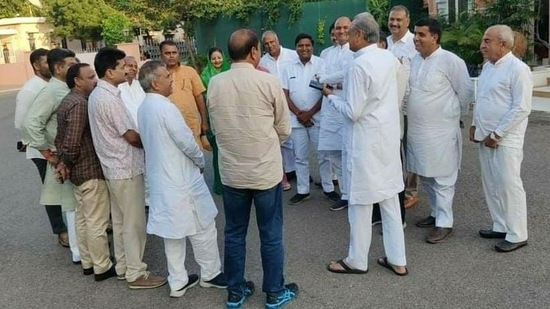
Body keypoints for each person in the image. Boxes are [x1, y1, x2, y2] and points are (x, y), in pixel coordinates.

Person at [207, 28, 298, 309]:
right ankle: (274, 291)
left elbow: (215, 126)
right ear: (254, 51)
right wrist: (265, 145)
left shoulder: (215, 84)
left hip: (232, 173)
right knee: (270, 234)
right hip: (264, 172)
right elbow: (284, 128)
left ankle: (235, 290)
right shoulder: (267, 82)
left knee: (234, 232)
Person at [324, 12, 407, 276]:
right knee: (390, 201)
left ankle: (357, 260)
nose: (345, 37)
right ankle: (398, 259)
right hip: (386, 140)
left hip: (365, 143)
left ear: (359, 35)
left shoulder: (360, 64)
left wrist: (329, 96)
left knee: (360, 202)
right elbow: (395, 93)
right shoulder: (388, 57)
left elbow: (353, 111)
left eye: (349, 34)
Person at [137, 60, 226, 297]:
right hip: (182, 179)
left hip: (163, 180)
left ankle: (177, 280)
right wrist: (200, 161)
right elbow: (186, 141)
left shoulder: (144, 107)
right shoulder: (165, 107)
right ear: (155, 83)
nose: (171, 79)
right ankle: (211, 273)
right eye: (167, 76)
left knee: (173, 233)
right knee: (203, 225)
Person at [88, 47, 166, 289]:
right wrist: (154, 141)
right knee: (134, 225)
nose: (127, 69)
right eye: (122, 66)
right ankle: (135, 273)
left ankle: (123, 267)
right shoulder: (107, 98)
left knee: (122, 223)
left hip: (116, 169)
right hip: (124, 168)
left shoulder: (103, 94)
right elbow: (131, 136)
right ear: (110, 72)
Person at [407, 19, 473, 244]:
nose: (416, 38)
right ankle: (435, 213)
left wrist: (451, 114)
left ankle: (445, 223)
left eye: (421, 35)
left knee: (444, 177)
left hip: (441, 130)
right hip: (417, 130)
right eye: (415, 34)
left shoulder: (451, 61)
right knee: (425, 174)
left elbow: (465, 92)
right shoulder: (413, 60)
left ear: (435, 37)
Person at [471, 25, 532, 252]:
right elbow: (484, 99)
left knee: (508, 185)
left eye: (487, 41)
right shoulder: (489, 67)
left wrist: (498, 134)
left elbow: (521, 108)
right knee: (491, 184)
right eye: (483, 40)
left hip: (505, 139)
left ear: (503, 45)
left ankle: (517, 234)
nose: (482, 45)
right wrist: (475, 125)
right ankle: (500, 224)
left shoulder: (518, 69)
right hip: (485, 137)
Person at [54, 63, 114, 280]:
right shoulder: (79, 104)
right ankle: (102, 266)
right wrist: (65, 164)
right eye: (90, 77)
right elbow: (71, 142)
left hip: (77, 172)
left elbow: (60, 139)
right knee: (96, 221)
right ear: (77, 81)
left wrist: (64, 164)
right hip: (88, 169)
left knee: (83, 218)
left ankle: (88, 262)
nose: (94, 80)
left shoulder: (68, 101)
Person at [22, 48, 80, 263]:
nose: (74, 66)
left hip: (74, 156)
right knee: (71, 205)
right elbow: (31, 124)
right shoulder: (50, 92)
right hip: (62, 157)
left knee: (78, 204)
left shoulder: (65, 87)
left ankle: (82, 249)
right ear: (58, 68)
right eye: (70, 63)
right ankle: (78, 252)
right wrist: (48, 153)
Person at [14, 48, 69, 247]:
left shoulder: (56, 85)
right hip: (42, 150)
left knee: (66, 187)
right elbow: (23, 122)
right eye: (46, 62)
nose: (50, 66)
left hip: (56, 147)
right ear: (36, 66)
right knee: (52, 190)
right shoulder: (30, 89)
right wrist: (44, 149)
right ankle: (60, 230)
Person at [282, 33, 338, 205]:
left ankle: (328, 188)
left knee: (323, 155)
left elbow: (326, 92)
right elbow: (285, 94)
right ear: (296, 48)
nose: (304, 48)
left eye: (307, 45)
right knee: (300, 157)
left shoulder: (321, 65)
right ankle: (303, 190)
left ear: (312, 47)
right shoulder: (288, 68)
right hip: (297, 121)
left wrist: (310, 113)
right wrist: (300, 114)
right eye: (300, 45)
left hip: (318, 119)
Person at [318, 16, 354, 211]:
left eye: (344, 28)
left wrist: (333, 84)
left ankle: (354, 194)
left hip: (348, 108)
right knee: (334, 154)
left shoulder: (354, 52)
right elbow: (320, 79)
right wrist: (334, 84)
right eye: (337, 28)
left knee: (350, 155)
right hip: (329, 109)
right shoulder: (326, 53)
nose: (340, 31)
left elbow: (349, 79)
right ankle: (346, 194)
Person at [387, 5, 420, 210]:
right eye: (392, 19)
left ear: (407, 21)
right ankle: (396, 187)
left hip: (408, 105)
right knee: (393, 147)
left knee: (410, 147)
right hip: (388, 105)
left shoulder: (414, 43)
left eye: (399, 20)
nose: (394, 23)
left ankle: (411, 191)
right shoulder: (385, 43)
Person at [260, 30, 299, 191]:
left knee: (297, 141)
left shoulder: (292, 55)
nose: (270, 46)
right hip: (274, 105)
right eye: (266, 44)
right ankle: (286, 173)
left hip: (294, 102)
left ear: (278, 40)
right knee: (281, 141)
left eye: (272, 42)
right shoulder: (262, 62)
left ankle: (298, 171)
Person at [159, 40, 210, 150]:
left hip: (191, 124)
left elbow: (199, 97)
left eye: (174, 52)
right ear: (161, 55)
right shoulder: (158, 74)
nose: (171, 56)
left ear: (179, 54)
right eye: (167, 53)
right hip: (169, 126)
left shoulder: (190, 71)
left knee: (196, 160)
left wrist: (204, 122)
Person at [200, 47, 231, 195]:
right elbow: (203, 98)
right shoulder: (204, 75)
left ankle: (234, 185)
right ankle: (220, 185)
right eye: (214, 58)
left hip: (231, 117)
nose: (217, 61)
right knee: (218, 153)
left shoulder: (230, 71)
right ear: (209, 60)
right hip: (213, 119)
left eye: (219, 57)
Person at [119, 56, 146, 127]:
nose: (134, 69)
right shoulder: (118, 87)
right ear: (123, 67)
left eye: (136, 67)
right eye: (130, 66)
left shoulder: (140, 85)